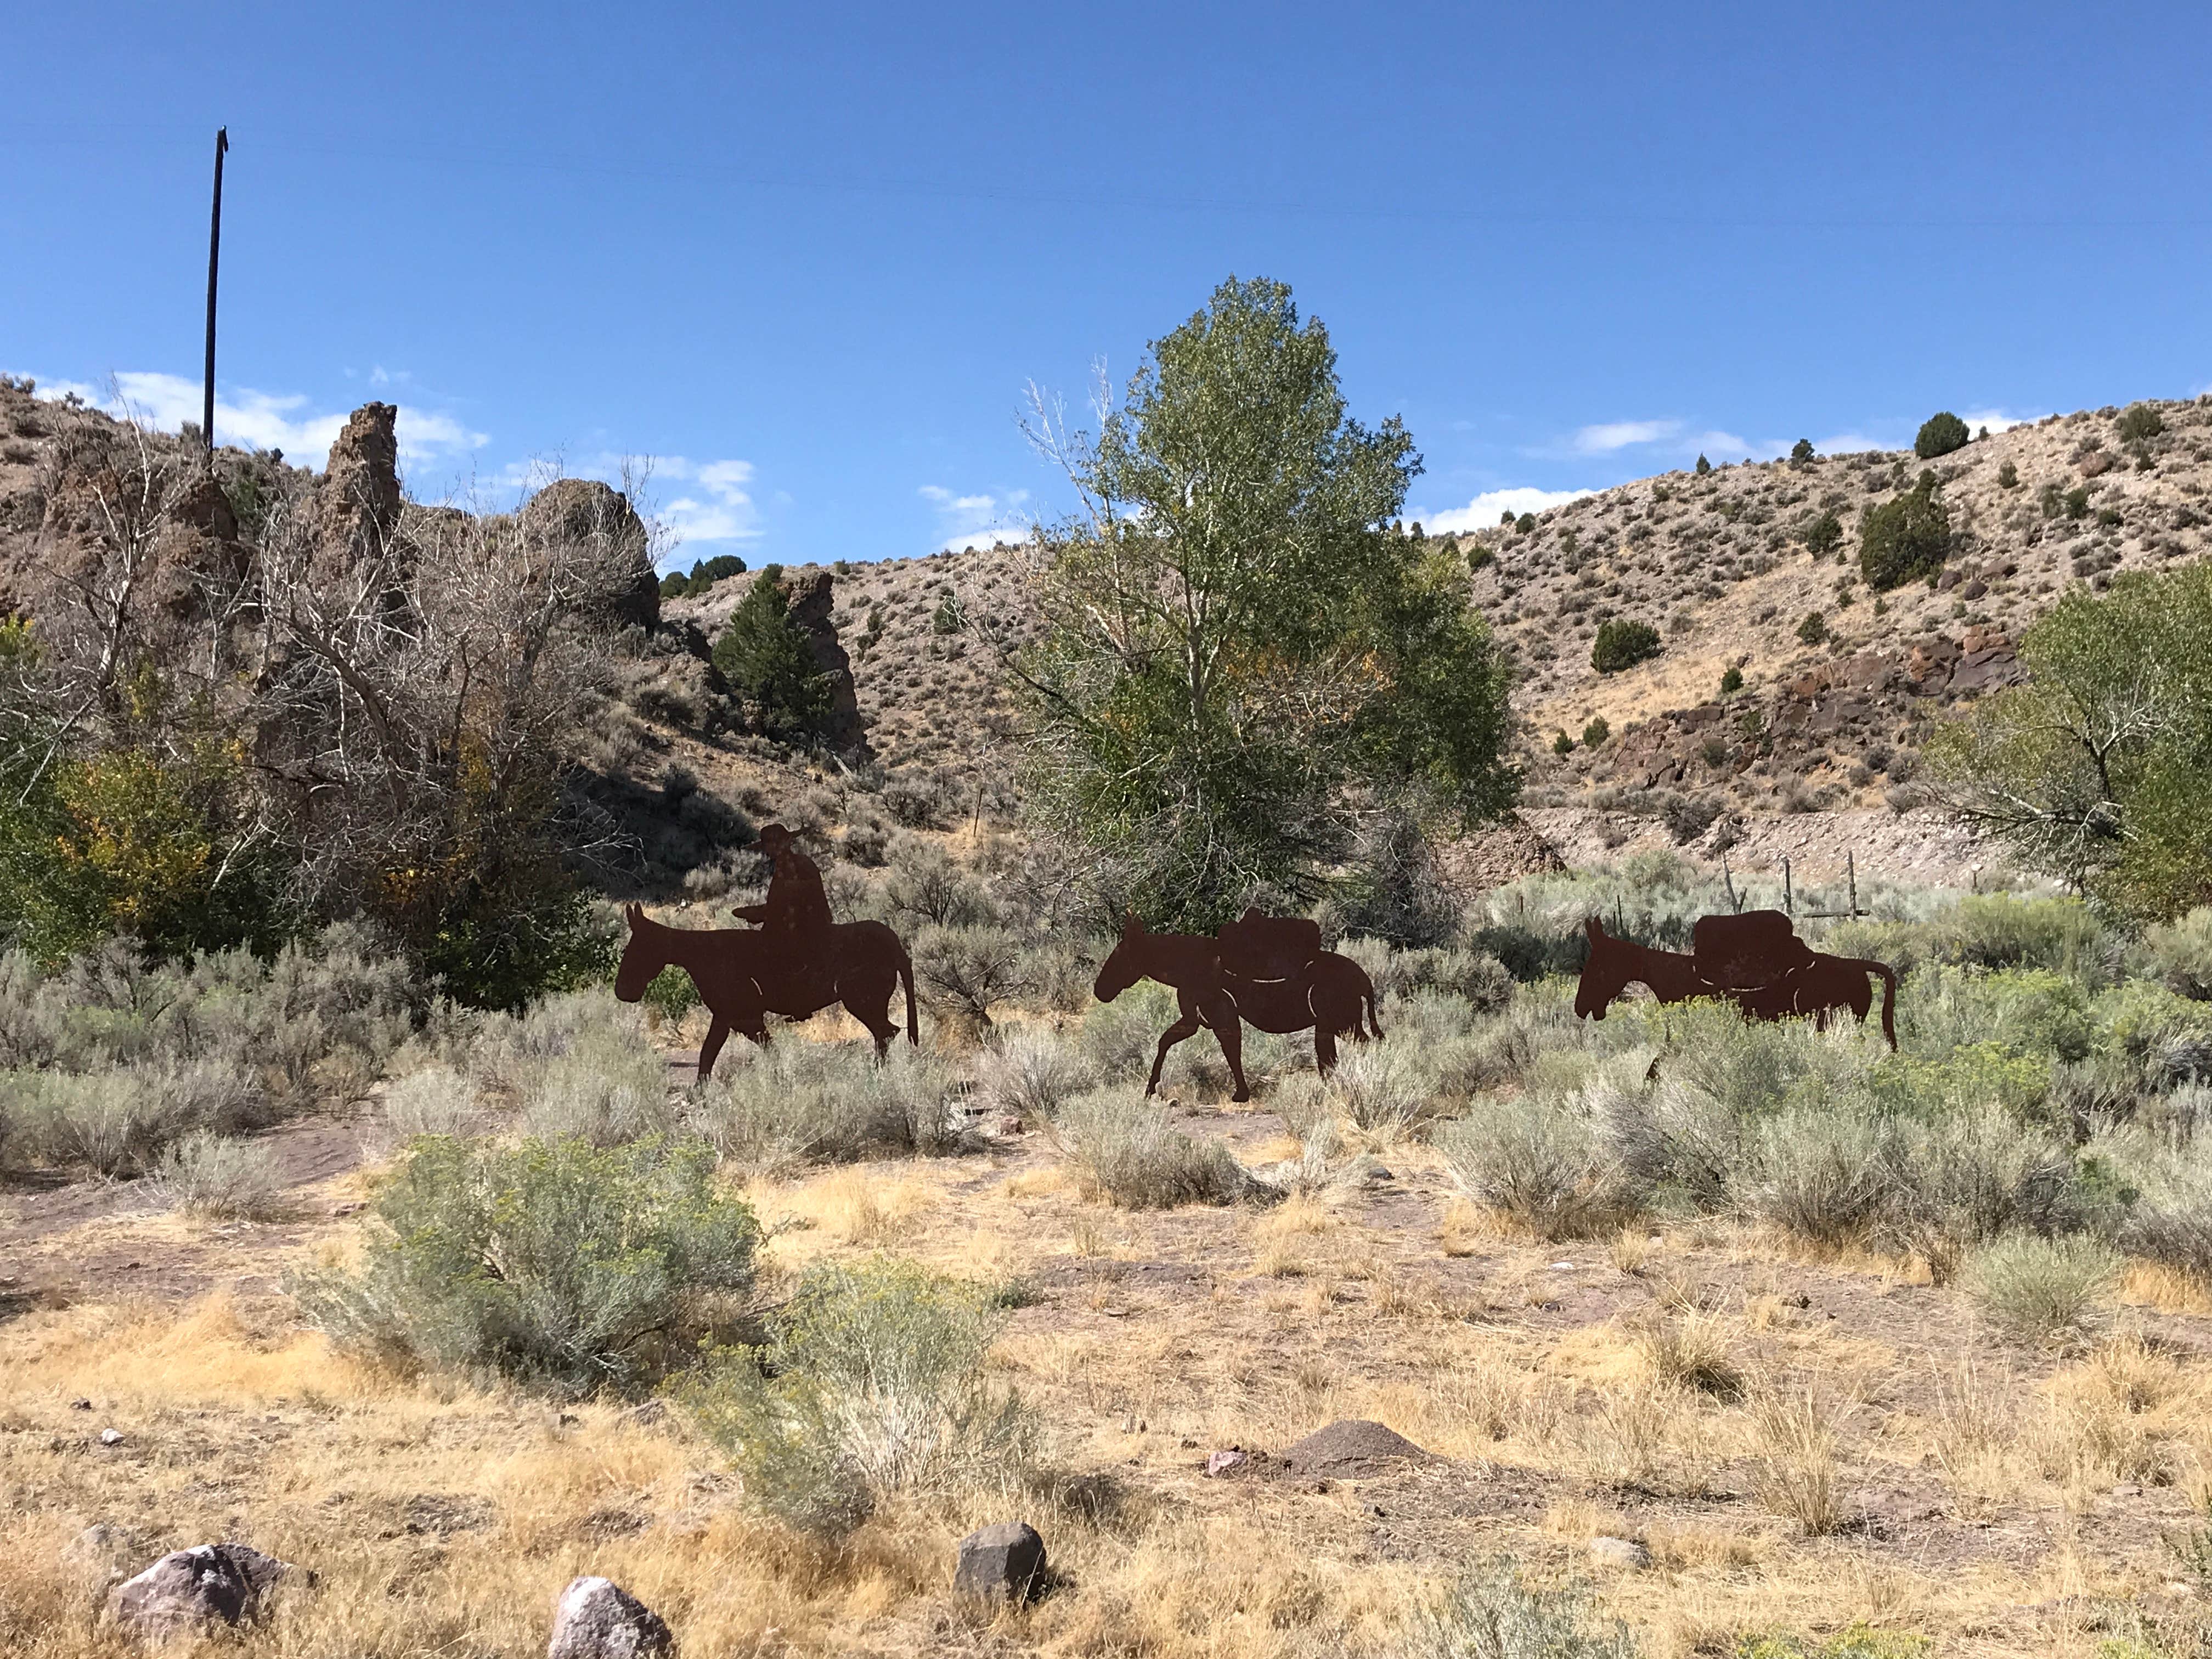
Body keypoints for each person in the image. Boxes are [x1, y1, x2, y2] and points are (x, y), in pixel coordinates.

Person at [732, 823, 834, 967]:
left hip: (805, 932)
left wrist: (763, 913)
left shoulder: (801, 864)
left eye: (777, 844)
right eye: (770, 845)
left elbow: (799, 901)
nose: (773, 849)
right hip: (795, 929)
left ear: (787, 843)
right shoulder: (783, 867)